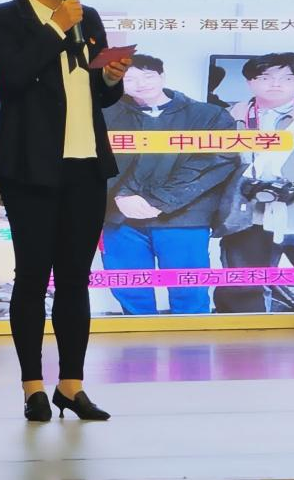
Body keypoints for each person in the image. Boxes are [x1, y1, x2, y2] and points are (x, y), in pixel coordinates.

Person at [0, 0, 131, 423]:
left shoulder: (88, 16)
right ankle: (33, 387)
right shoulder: (1, 17)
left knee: (74, 278)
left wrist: (110, 78)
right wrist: (56, 27)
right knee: (31, 277)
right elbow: (13, 77)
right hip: (31, 166)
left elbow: (99, 96)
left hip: (86, 163)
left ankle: (71, 385)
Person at [101, 55, 238, 315]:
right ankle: (140, 340)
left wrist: (159, 200)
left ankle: (191, 341)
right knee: (129, 289)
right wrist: (121, 195)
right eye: (129, 79)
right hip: (120, 217)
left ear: (162, 76)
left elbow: (216, 161)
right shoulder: (104, 115)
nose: (140, 84)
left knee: (189, 289)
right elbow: (90, 161)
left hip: (183, 217)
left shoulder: (207, 115)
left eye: (148, 76)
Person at [213, 52, 294, 314]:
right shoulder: (227, 118)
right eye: (265, 77)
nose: (276, 84)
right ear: (250, 82)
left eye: (288, 78)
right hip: (248, 218)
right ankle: (247, 340)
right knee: (242, 292)